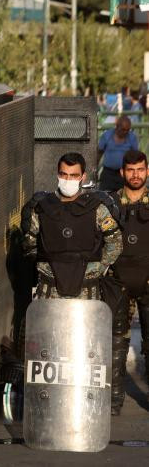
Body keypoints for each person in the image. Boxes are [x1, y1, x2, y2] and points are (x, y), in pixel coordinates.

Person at [21, 152, 122, 300]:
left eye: (74, 175)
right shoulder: (41, 207)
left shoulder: (97, 208)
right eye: (64, 174)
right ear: (57, 175)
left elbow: (115, 243)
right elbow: (30, 245)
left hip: (87, 292)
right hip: (49, 291)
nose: (68, 180)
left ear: (83, 177)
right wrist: (48, 267)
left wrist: (96, 269)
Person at [105, 149, 149, 415]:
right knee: (115, 344)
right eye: (130, 170)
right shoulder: (109, 203)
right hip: (117, 282)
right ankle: (113, 401)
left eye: (140, 169)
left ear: (147, 171)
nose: (135, 174)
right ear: (122, 172)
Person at [99, 116, 139, 192]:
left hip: (124, 173)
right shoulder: (107, 135)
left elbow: (135, 156)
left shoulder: (132, 137)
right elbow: (99, 153)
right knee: (104, 196)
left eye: (127, 130)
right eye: (123, 129)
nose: (125, 132)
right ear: (117, 127)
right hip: (108, 173)